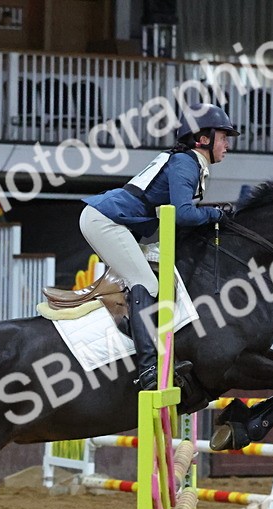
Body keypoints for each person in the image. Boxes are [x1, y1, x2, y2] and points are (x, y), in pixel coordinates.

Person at [79, 102, 239, 390]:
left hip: (112, 221)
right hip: (105, 221)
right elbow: (182, 214)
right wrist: (217, 214)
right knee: (145, 282)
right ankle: (148, 369)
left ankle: (142, 338)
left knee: (151, 279)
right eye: (223, 136)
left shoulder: (188, 162)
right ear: (203, 138)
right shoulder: (186, 162)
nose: (227, 144)